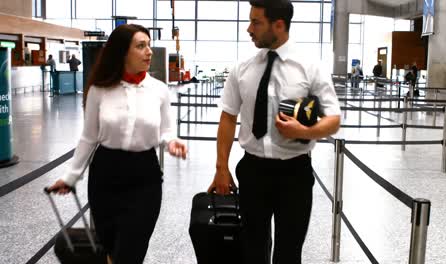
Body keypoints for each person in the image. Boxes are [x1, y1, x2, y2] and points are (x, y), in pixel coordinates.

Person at [208, 0, 341, 263]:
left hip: (294, 174)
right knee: (252, 249)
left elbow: (333, 119)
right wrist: (221, 167)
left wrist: (305, 129)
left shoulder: (309, 67)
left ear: (278, 25)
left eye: (256, 22)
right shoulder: (242, 68)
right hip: (252, 172)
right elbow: (228, 117)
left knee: (289, 252)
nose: (249, 29)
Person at [47, 24, 188, 264]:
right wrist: (71, 177)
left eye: (149, 46)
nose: (149, 52)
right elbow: (89, 137)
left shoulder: (159, 90)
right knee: (110, 249)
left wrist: (171, 142)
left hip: (145, 178)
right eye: (141, 46)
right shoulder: (99, 90)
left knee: (131, 249)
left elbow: (165, 131)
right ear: (122, 52)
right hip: (105, 177)